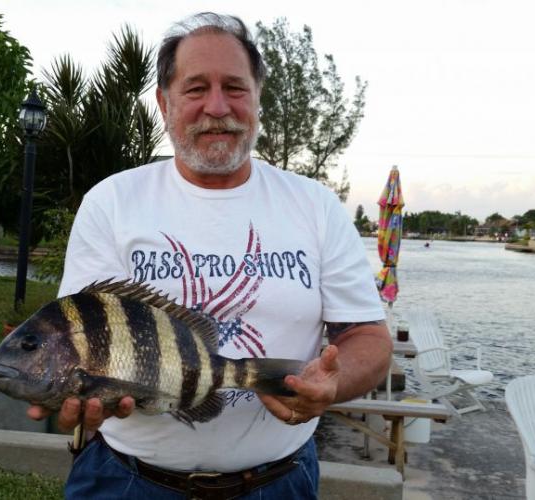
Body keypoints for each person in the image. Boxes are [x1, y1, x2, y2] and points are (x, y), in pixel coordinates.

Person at [27, 12, 392, 499]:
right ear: (164, 102)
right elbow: (81, 331)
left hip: (277, 484)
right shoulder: (112, 202)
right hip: (126, 482)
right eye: (196, 88)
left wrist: (332, 382)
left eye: (235, 88)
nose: (216, 107)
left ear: (258, 100)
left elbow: (368, 337)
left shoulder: (316, 206)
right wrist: (79, 393)